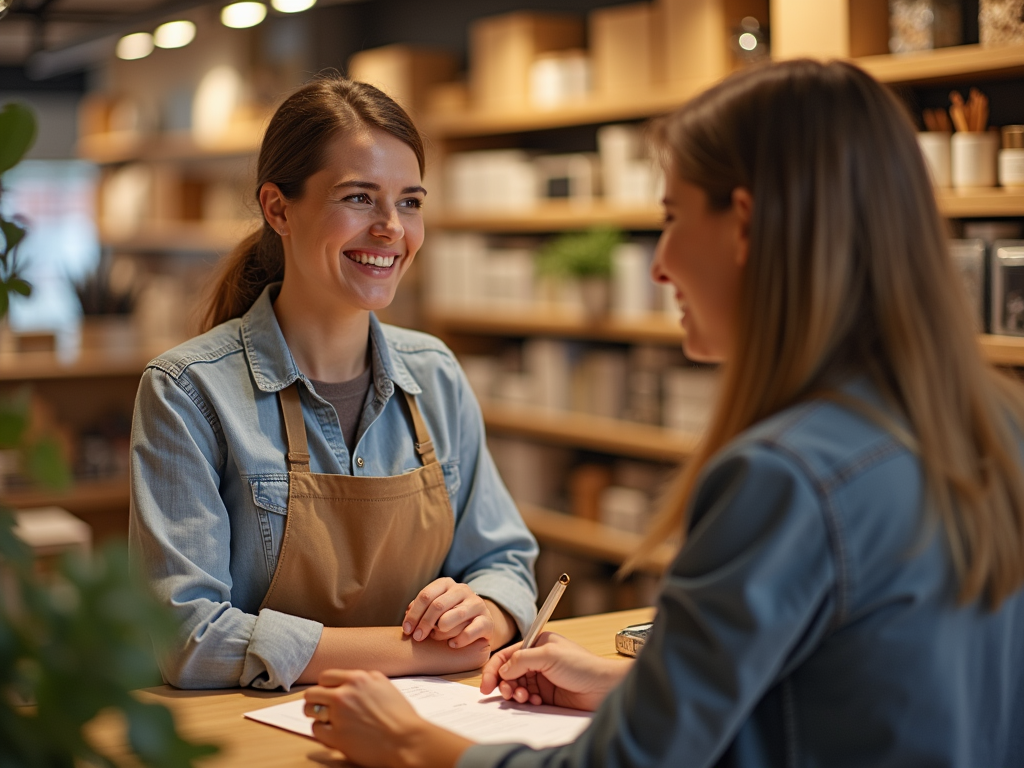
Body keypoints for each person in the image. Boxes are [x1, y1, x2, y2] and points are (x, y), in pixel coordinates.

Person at [299, 59, 1024, 767]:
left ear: (743, 225)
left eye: (672, 218)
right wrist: (639, 686)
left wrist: (409, 744)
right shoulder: (994, 424)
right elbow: (858, 689)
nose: (658, 264)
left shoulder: (784, 476)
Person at [129, 73, 538, 691]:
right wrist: (424, 652)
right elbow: (186, 638)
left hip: (419, 731)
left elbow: (504, 559)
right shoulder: (188, 393)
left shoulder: (435, 374)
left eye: (410, 201)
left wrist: (490, 611)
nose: (392, 229)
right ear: (278, 208)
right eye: (358, 197)